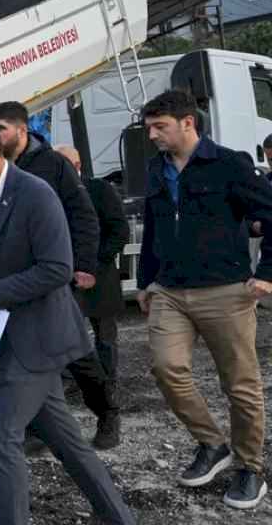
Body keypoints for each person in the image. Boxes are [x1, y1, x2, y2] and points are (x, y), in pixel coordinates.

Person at [0, 112, 135, 525]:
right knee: (69, 443)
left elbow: (56, 269)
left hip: (39, 339)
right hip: (7, 339)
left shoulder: (36, 194)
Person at [136, 90, 270, 510]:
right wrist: (145, 281)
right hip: (170, 291)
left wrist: (266, 274)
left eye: (161, 127)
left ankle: (251, 468)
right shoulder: (155, 170)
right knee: (166, 367)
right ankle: (212, 444)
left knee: (240, 385)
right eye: (149, 128)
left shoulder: (229, 164)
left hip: (226, 291)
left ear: (188, 123)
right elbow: (154, 229)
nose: (153, 135)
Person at [0, 101, 119, 450]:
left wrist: (85, 266)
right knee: (26, 351)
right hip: (15, 279)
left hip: (54, 274)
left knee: (73, 352)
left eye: (1, 128)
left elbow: (84, 216)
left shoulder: (53, 165)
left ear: (21, 129)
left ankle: (107, 412)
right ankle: (37, 428)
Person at [54, 145, 130, 404]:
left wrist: (94, 265)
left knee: (105, 334)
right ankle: (73, 382)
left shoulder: (100, 190)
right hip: (63, 278)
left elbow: (118, 231)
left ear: (76, 165)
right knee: (64, 333)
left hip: (99, 276)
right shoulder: (50, 195)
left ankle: (107, 383)